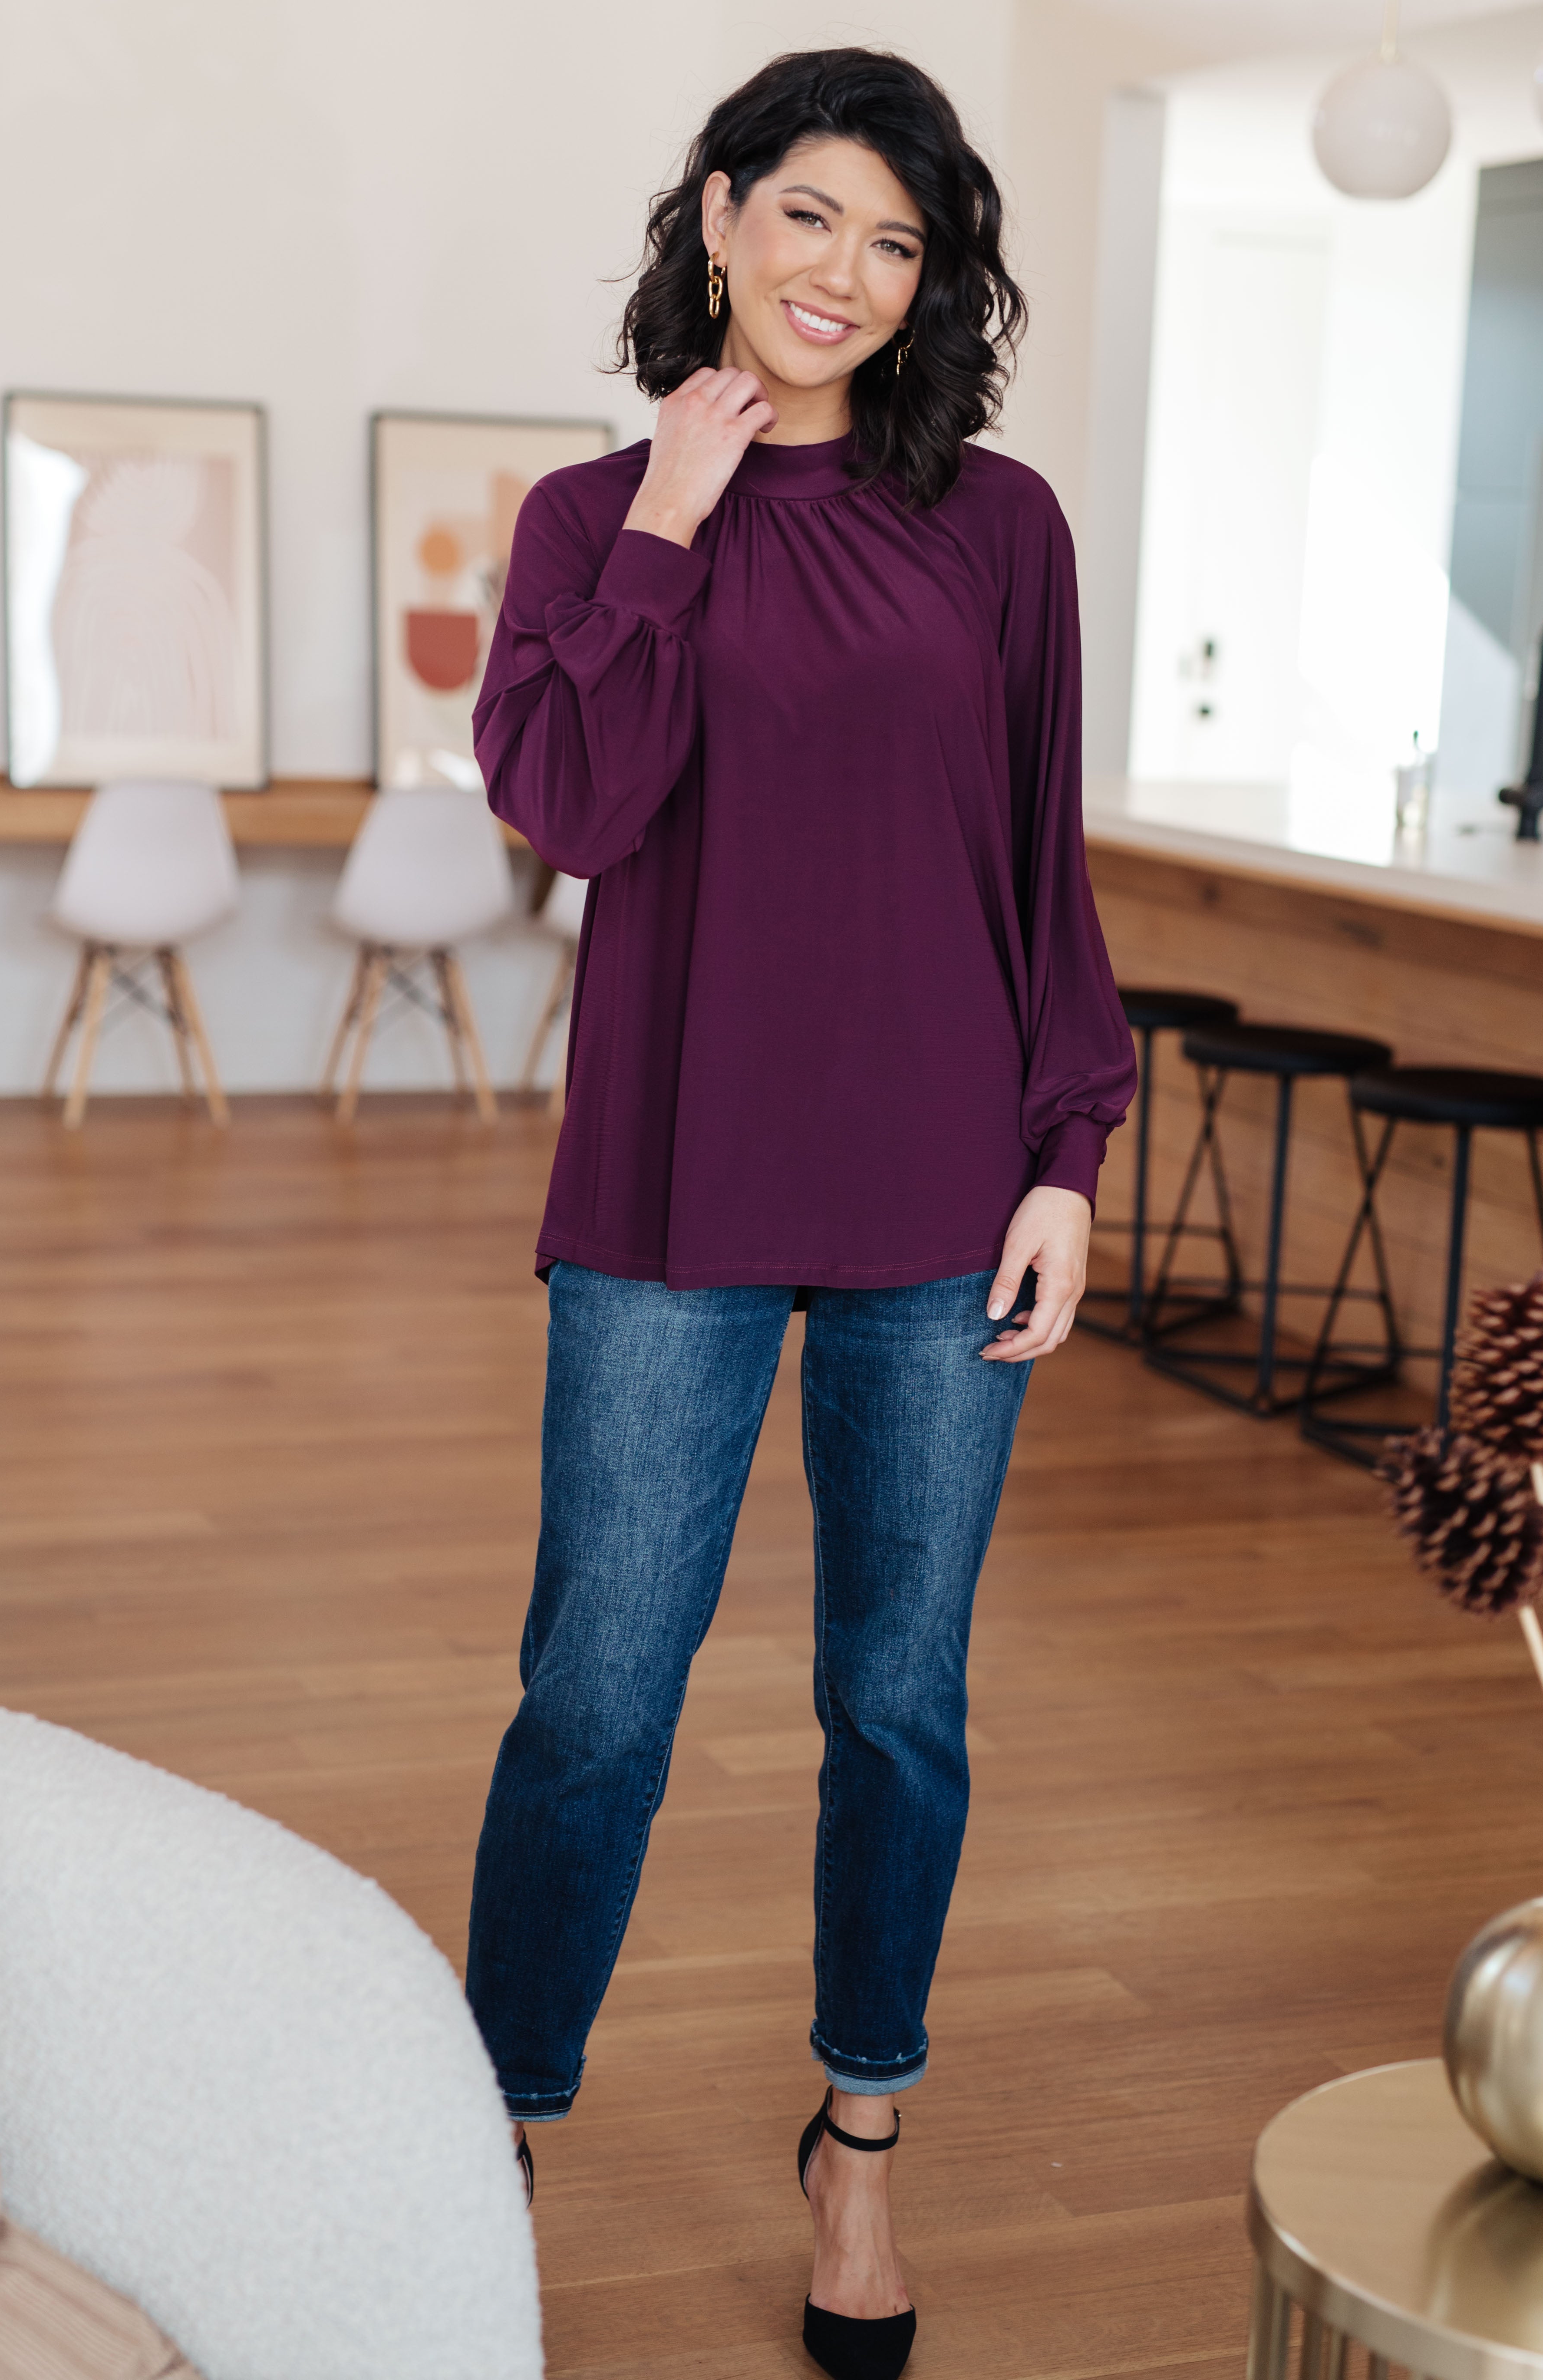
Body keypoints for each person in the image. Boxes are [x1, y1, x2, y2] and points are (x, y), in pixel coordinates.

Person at [465, 46, 1136, 2380]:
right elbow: (569, 800)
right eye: (815, 220)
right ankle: (494, 2125)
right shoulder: (586, 519)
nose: (850, 277)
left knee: (899, 1704)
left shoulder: (1005, 528)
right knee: (596, 1701)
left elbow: (1039, 865)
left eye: (901, 243)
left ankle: (861, 2137)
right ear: (726, 213)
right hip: (666, 1192)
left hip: (946, 1196)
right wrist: (668, 513)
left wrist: (1070, 1145)